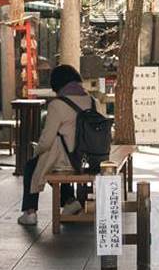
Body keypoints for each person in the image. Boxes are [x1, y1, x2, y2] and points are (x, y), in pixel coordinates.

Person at [17, 64, 102, 226]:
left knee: (32, 165)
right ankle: (70, 202)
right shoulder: (93, 101)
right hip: (89, 159)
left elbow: (47, 140)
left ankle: (30, 212)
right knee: (57, 160)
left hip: (66, 160)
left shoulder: (57, 105)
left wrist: (37, 150)